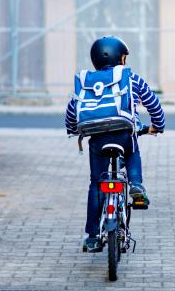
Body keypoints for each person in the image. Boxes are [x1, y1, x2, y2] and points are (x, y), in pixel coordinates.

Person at [65, 36, 165, 252]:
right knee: (132, 149)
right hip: (123, 133)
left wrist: (74, 130)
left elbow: (72, 110)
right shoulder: (131, 79)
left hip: (97, 139)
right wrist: (158, 125)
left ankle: (92, 236)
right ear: (121, 58)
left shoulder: (86, 82)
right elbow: (153, 103)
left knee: (96, 184)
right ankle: (136, 185)